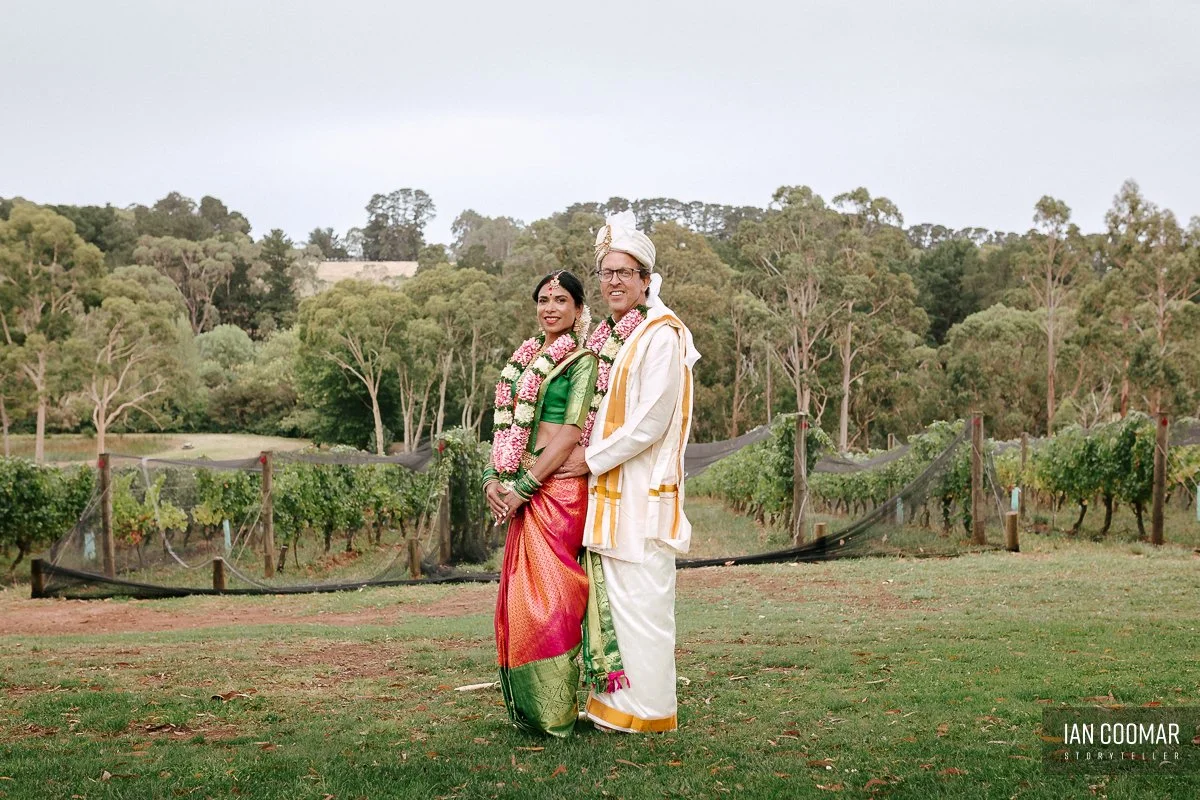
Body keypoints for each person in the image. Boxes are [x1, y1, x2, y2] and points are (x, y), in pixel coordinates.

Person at [557, 210, 699, 733]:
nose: (614, 281)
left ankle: (649, 713)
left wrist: (588, 459)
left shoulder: (661, 334)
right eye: (606, 272)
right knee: (612, 603)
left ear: (645, 279)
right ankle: (611, 707)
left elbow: (651, 420)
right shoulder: (610, 335)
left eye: (624, 272)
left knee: (643, 601)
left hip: (639, 491)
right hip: (608, 491)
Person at [483, 270, 598, 737]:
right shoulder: (523, 358)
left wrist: (525, 487)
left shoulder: (582, 361)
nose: (550, 308)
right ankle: (533, 711)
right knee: (521, 599)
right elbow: (508, 425)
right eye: (544, 300)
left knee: (553, 599)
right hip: (521, 486)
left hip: (559, 490)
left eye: (561, 300)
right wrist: (493, 477)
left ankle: (557, 714)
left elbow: (570, 433)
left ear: (578, 309)